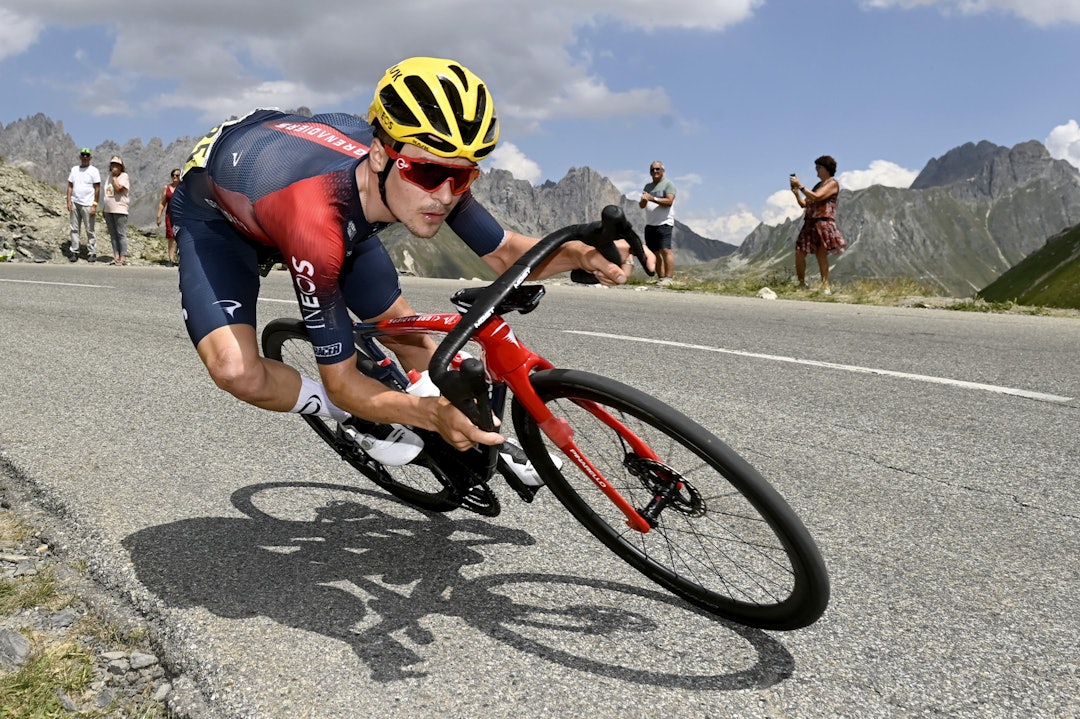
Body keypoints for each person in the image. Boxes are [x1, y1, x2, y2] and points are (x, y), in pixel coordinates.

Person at [170, 56, 653, 469]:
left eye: (462, 177)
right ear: (381, 155)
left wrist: (582, 255)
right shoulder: (315, 224)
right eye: (428, 172)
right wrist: (426, 416)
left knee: (405, 331)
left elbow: (505, 252)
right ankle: (359, 423)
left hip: (309, 182)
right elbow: (341, 384)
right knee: (237, 372)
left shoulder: (422, 168)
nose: (443, 195)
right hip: (219, 218)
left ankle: (456, 417)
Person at [790, 155, 846, 295]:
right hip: (810, 222)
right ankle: (802, 284)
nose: (816, 170)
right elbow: (805, 204)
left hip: (822, 222)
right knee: (799, 251)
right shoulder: (817, 185)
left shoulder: (832, 183)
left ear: (826, 168)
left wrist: (800, 186)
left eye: (818, 167)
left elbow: (818, 197)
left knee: (821, 254)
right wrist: (796, 193)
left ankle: (825, 285)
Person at [639, 161, 676, 286]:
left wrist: (653, 198)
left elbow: (669, 201)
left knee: (665, 250)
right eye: (652, 170)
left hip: (664, 223)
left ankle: (669, 278)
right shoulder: (648, 187)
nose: (655, 172)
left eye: (657, 169)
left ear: (663, 170)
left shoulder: (668, 184)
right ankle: (661, 278)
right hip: (650, 224)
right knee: (654, 253)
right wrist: (644, 200)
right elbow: (642, 205)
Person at [66, 148, 101, 262]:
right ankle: (74, 251)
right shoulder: (74, 169)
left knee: (90, 229)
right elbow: (70, 186)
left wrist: (95, 205)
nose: (85, 157)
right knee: (74, 229)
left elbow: (97, 189)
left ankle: (92, 252)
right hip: (75, 203)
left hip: (88, 204)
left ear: (90, 157)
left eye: (87, 155)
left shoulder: (94, 171)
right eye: (83, 155)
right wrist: (69, 201)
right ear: (80, 157)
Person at [102, 155, 131, 266]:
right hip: (109, 209)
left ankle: (123, 257)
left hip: (120, 209)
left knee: (120, 233)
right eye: (113, 165)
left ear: (121, 167)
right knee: (113, 234)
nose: (114, 167)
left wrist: (114, 178)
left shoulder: (124, 176)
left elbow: (119, 189)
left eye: (117, 165)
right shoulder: (108, 176)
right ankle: (116, 256)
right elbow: (108, 193)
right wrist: (105, 208)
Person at [156, 168, 182, 267]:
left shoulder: (184, 187)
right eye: (173, 175)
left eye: (177, 175)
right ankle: (170, 259)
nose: (175, 177)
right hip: (170, 215)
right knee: (171, 237)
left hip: (181, 215)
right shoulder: (167, 188)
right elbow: (162, 203)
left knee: (181, 237)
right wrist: (159, 216)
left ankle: (181, 259)